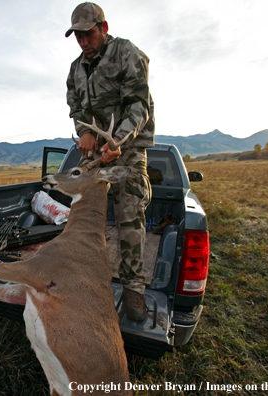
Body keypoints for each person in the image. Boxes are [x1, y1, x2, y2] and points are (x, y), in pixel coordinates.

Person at [65, 2, 155, 321]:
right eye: (78, 36)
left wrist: (118, 140)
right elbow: (76, 107)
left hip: (126, 148)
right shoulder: (76, 69)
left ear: (103, 27)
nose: (83, 41)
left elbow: (139, 105)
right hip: (95, 152)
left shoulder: (126, 53)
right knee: (88, 215)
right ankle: (88, 280)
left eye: (88, 34)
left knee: (129, 211)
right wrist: (83, 132)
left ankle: (133, 289)